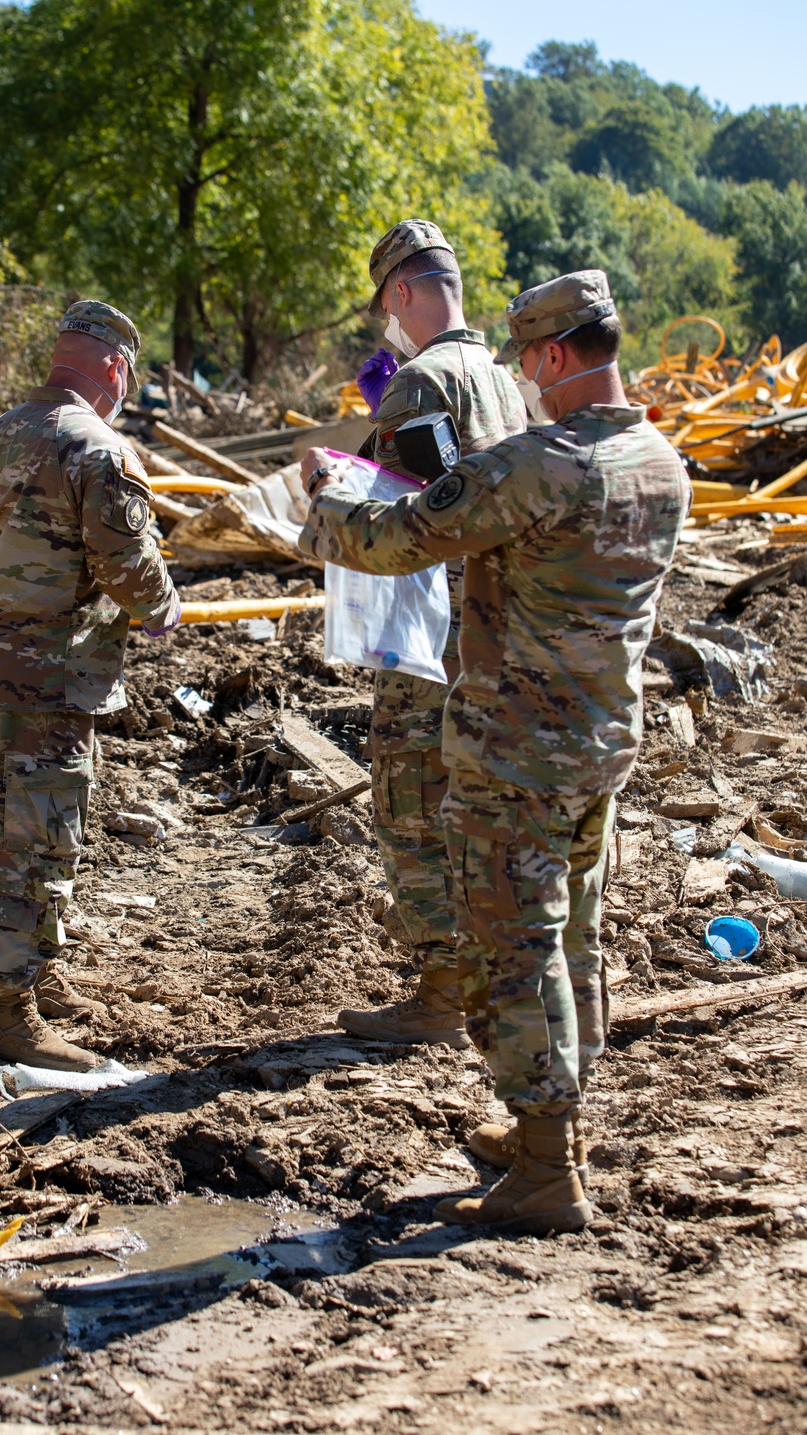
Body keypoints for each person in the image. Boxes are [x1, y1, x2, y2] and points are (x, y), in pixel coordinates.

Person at [299, 270, 690, 1234]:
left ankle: (547, 1167)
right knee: (572, 936)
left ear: (554, 356)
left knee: (511, 951)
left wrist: (325, 494)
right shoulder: (659, 460)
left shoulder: (539, 465)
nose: (520, 378)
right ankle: (552, 1126)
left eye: (526, 361)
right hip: (601, 740)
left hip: (515, 749)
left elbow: (398, 542)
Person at [0, 300, 181, 1072]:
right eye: (127, 377)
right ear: (115, 367)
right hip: (45, 680)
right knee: (38, 842)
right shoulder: (97, 449)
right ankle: (9, 1014)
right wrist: (163, 608)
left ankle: (30, 976)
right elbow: (127, 565)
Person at [337, 219, 525, 1050]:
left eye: (386, 304)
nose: (387, 320)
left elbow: (420, 521)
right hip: (497, 623)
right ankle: (487, 973)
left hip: (430, 629)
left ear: (404, 292)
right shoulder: (503, 378)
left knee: (410, 795)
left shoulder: (422, 382)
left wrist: (345, 498)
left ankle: (444, 987)